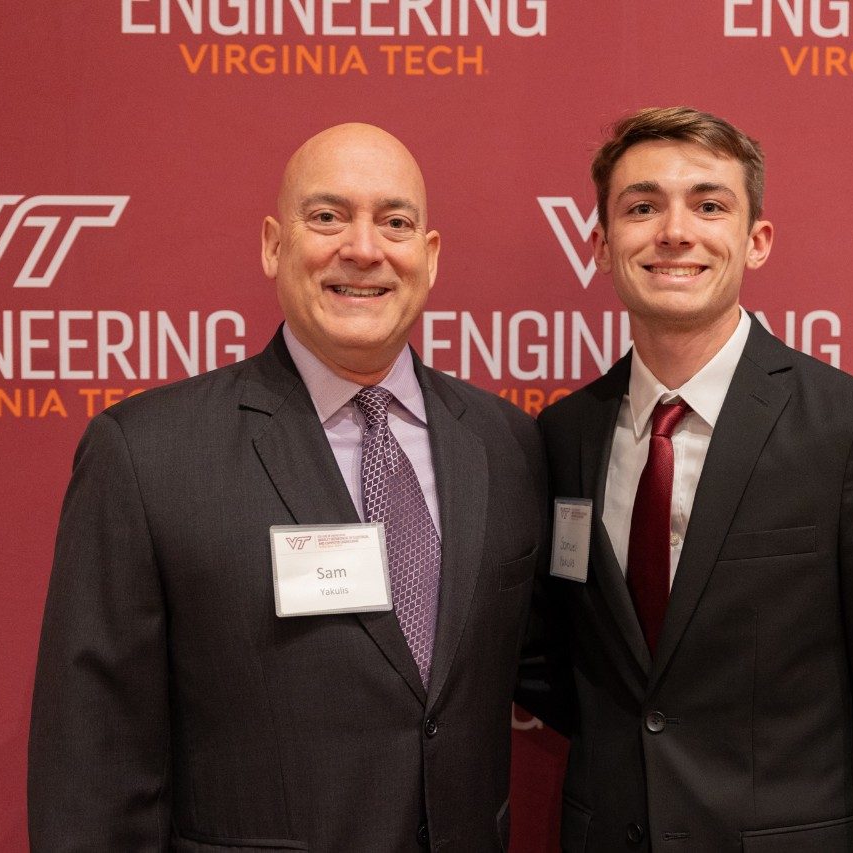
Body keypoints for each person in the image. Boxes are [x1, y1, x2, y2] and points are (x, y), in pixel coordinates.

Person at [28, 123, 546, 852]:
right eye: (328, 217)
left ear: (428, 258)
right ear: (274, 244)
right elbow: (91, 760)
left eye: (394, 222)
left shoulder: (505, 442)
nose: (363, 248)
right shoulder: (145, 455)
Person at [526, 107, 853, 851]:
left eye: (708, 205)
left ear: (755, 240)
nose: (674, 231)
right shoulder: (564, 434)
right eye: (642, 207)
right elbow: (565, 664)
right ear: (602, 245)